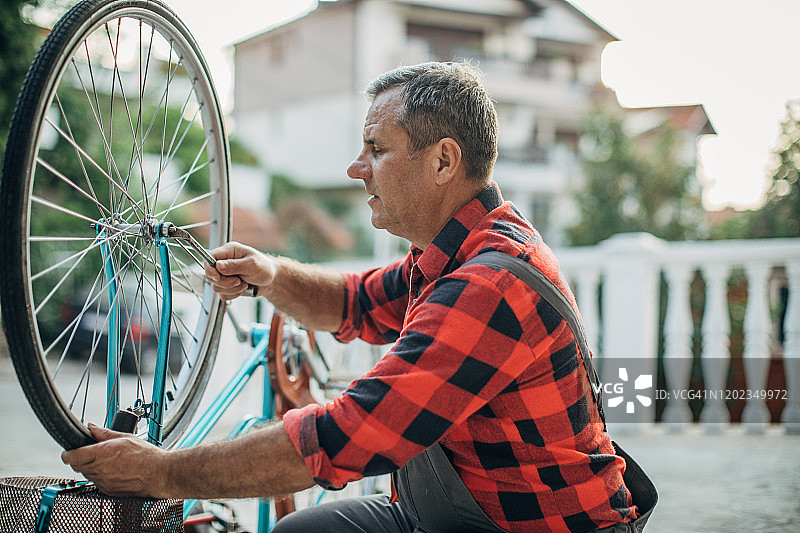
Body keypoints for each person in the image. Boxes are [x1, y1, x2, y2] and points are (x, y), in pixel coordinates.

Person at [62, 61, 642, 532]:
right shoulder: (455, 249)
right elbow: (355, 303)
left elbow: (349, 435)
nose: (355, 168)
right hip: (458, 513)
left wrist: (163, 474)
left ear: (443, 161)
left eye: (376, 149)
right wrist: (271, 274)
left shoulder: (490, 286)